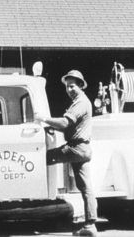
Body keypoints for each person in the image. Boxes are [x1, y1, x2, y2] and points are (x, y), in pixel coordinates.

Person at [35, 70, 97, 237]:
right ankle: (90, 226)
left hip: (76, 148)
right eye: (67, 87)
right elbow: (67, 125)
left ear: (80, 86)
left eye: (72, 86)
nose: (69, 89)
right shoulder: (80, 101)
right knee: (85, 187)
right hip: (81, 148)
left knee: (43, 157)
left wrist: (43, 119)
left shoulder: (80, 103)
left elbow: (64, 123)